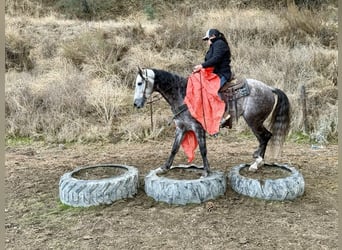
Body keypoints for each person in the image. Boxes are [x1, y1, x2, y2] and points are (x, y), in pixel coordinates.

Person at [193, 28, 233, 128]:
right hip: (216, 73)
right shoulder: (215, 45)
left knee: (211, 91)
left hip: (222, 74)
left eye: (207, 39)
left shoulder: (219, 44)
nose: (207, 42)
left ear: (213, 36)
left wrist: (202, 66)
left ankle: (224, 116)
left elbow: (216, 59)